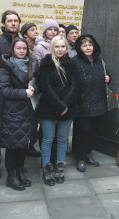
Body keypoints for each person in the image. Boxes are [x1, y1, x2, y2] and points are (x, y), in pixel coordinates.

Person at [0, 38, 38, 191]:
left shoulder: (32, 63)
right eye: (18, 48)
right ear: (12, 50)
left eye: (24, 48)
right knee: (12, 145)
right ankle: (11, 176)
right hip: (13, 111)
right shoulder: (6, 66)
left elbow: (37, 81)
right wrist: (24, 93)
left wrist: (35, 89)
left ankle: (20, 171)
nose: (21, 51)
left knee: (24, 144)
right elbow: (4, 89)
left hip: (29, 110)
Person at [36, 36, 78, 185]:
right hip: (49, 108)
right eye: (57, 47)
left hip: (68, 108)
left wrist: (64, 106)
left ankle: (60, 167)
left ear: (66, 48)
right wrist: (58, 106)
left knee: (62, 138)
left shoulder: (72, 64)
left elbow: (75, 86)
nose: (60, 49)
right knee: (47, 139)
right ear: (52, 48)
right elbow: (45, 87)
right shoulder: (46, 64)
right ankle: (47, 169)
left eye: (62, 47)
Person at [0, 10, 21, 179]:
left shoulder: (22, 42)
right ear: (3, 23)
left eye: (16, 20)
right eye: (10, 21)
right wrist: (9, 77)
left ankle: (13, 164)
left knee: (14, 126)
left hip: (17, 91)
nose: (13, 23)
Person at [72, 34, 110, 172]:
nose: (88, 48)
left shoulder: (99, 61)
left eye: (90, 45)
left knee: (94, 131)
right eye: (84, 45)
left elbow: (106, 75)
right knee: (83, 132)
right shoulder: (74, 62)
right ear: (79, 48)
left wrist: (108, 78)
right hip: (82, 103)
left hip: (98, 102)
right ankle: (80, 158)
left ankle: (88, 154)